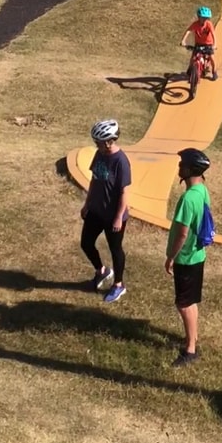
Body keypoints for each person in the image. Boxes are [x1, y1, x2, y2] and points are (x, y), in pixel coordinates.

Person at [165, 147, 212, 364]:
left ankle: (191, 349)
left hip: (185, 257)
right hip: (198, 255)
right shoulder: (202, 190)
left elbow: (182, 233)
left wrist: (171, 256)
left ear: (191, 169)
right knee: (191, 301)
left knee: (183, 304)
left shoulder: (187, 199)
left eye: (182, 164)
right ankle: (192, 337)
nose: (179, 167)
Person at [79, 118, 130, 304]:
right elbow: (94, 179)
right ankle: (102, 271)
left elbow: (125, 192)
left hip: (113, 215)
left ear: (109, 141)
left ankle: (118, 285)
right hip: (96, 210)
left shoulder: (121, 161)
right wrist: (87, 204)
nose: (96, 145)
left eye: (98, 142)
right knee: (86, 243)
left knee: (115, 249)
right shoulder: (99, 154)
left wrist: (118, 218)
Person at [183, 5, 218, 81]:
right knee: (193, 57)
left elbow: (213, 34)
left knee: (212, 57)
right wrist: (183, 40)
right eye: (203, 18)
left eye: (206, 18)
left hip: (208, 43)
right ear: (199, 17)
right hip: (199, 43)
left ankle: (214, 72)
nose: (205, 20)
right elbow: (188, 31)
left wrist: (214, 44)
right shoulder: (195, 24)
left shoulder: (209, 24)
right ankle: (190, 68)